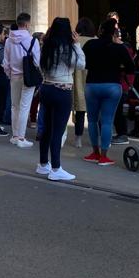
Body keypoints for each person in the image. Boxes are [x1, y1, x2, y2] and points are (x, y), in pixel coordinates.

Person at [35, 17, 85, 182]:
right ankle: (56, 168)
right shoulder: (68, 49)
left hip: (46, 87)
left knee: (47, 128)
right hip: (62, 90)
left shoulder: (47, 47)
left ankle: (43, 164)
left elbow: (40, 65)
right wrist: (77, 44)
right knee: (58, 130)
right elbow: (80, 65)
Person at [82, 17, 136, 167]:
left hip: (92, 84)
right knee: (107, 121)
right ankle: (104, 156)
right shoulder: (119, 48)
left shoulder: (90, 44)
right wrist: (119, 68)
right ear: (115, 33)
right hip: (112, 85)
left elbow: (83, 63)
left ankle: (95, 152)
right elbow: (131, 67)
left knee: (92, 120)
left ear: (100, 31)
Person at [2, 13, 38, 149]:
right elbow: (37, 61)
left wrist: (9, 74)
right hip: (28, 77)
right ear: (27, 24)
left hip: (14, 76)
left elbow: (6, 62)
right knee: (24, 107)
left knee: (14, 106)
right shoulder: (32, 41)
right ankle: (21, 138)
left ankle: (15, 136)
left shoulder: (8, 40)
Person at [71, 18, 95, 148]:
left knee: (80, 110)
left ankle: (78, 139)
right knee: (94, 112)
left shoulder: (75, 41)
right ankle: (94, 138)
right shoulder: (96, 41)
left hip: (78, 77)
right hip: (92, 78)